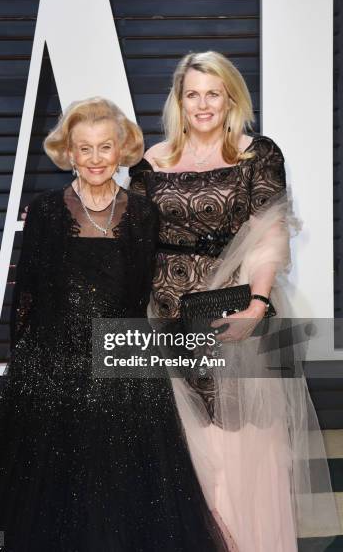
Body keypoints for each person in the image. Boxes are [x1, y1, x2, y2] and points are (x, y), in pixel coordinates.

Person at [0, 97, 230, 552]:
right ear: (69, 153)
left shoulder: (142, 214)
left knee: (126, 483)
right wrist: (29, 367)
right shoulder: (47, 212)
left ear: (121, 151)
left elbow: (138, 295)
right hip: (55, 363)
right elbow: (28, 293)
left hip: (122, 364)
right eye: (85, 149)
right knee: (46, 487)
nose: (95, 159)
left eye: (105, 147)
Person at [129, 51, 341, 552]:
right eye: (192, 94)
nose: (203, 104)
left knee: (244, 438)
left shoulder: (257, 155)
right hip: (165, 314)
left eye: (214, 93)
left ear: (231, 98)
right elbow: (133, 243)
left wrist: (258, 305)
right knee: (182, 442)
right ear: (178, 102)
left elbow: (270, 235)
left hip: (237, 312)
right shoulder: (149, 162)